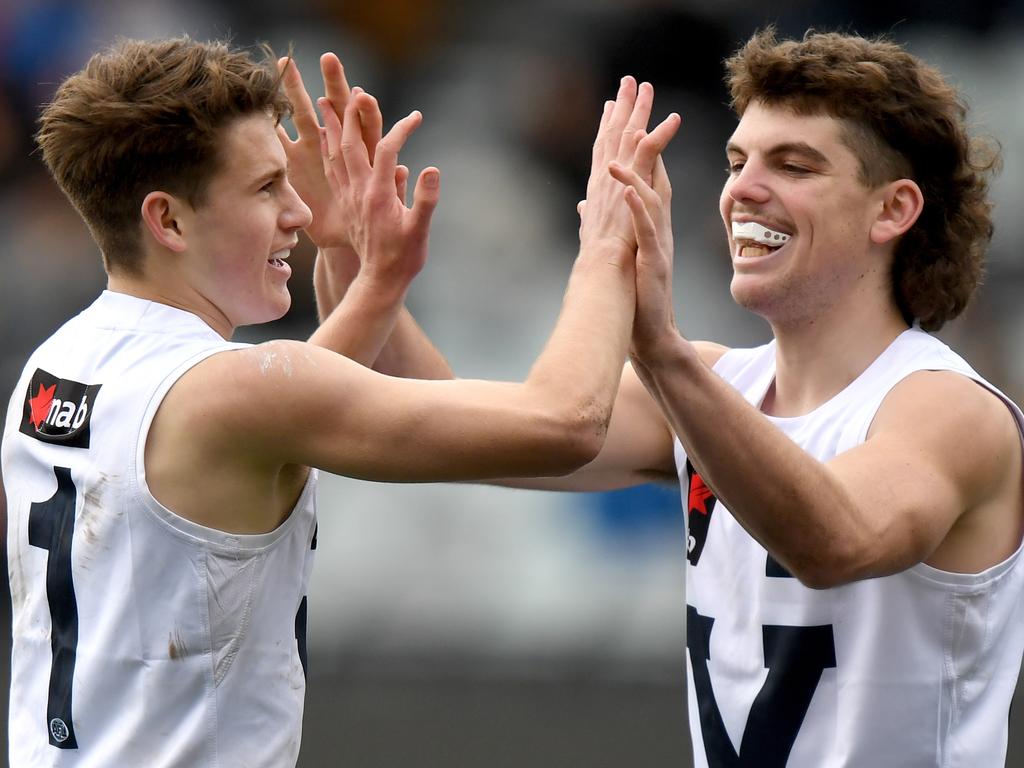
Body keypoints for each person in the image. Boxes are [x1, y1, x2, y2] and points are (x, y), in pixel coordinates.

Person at [325, 28, 1024, 766]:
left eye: (794, 165)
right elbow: (448, 421)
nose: (743, 189)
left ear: (893, 210)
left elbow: (835, 541)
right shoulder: (713, 386)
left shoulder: (947, 406)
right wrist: (358, 256)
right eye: (736, 161)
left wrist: (659, 348)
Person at [1, 36, 681, 766]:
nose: (295, 211)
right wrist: (609, 244)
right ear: (167, 221)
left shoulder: (55, 366)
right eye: (266, 188)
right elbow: (568, 421)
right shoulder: (238, 389)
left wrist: (374, 277)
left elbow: (282, 415)